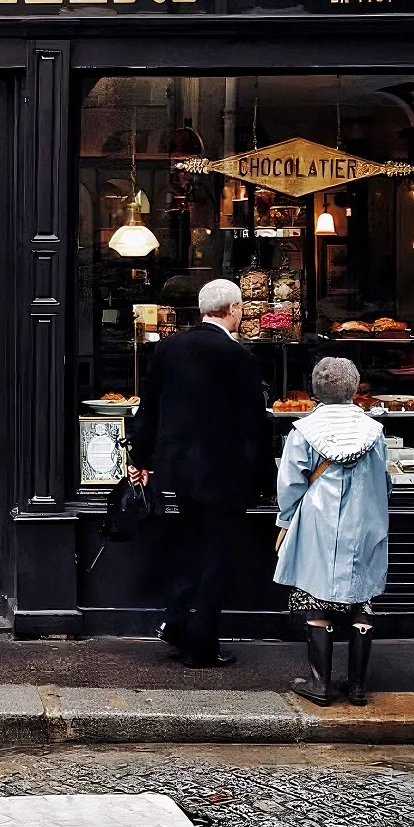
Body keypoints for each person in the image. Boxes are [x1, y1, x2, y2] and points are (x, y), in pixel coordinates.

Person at [127, 278, 272, 668]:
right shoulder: (239, 357)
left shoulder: (170, 348)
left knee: (191, 549)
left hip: (180, 472)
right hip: (225, 474)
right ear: (235, 309)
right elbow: (253, 425)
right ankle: (201, 645)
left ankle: (176, 622)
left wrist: (140, 458)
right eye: (241, 308)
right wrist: (265, 478)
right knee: (218, 558)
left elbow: (148, 408)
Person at [274, 356, 390, 707]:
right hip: (366, 521)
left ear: (316, 388)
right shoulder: (375, 431)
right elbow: (384, 481)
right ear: (354, 388)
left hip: (317, 522)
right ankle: (357, 687)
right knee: (363, 596)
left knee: (314, 593)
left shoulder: (303, 431)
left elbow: (291, 484)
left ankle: (320, 684)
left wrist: (283, 521)